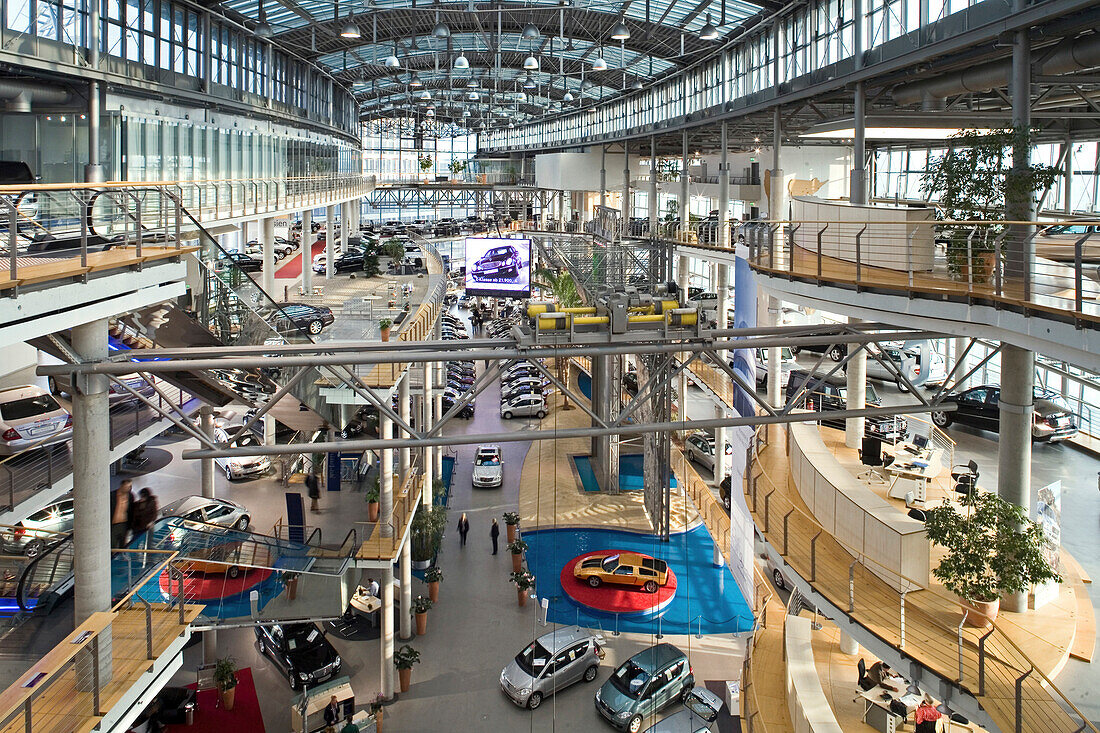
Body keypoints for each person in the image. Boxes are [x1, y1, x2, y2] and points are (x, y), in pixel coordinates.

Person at [111, 480, 133, 549]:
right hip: (113, 525)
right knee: (112, 545)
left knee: (123, 546)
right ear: (122, 486)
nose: (129, 488)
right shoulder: (112, 495)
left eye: (130, 486)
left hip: (124, 525)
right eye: (128, 486)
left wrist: (129, 527)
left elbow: (131, 511)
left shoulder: (130, 496)